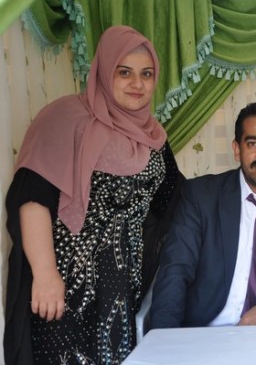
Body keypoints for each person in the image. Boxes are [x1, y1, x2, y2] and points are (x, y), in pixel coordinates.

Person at [4, 26, 184, 365]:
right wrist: (45, 273)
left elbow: (173, 200)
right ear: (103, 71)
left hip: (120, 289)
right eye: (124, 72)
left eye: (146, 74)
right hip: (65, 287)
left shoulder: (152, 136)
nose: (137, 84)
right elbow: (32, 199)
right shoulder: (65, 119)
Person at [149, 100, 256, 328]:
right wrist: (165, 338)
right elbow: (176, 268)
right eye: (252, 143)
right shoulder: (201, 195)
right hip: (205, 332)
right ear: (237, 149)